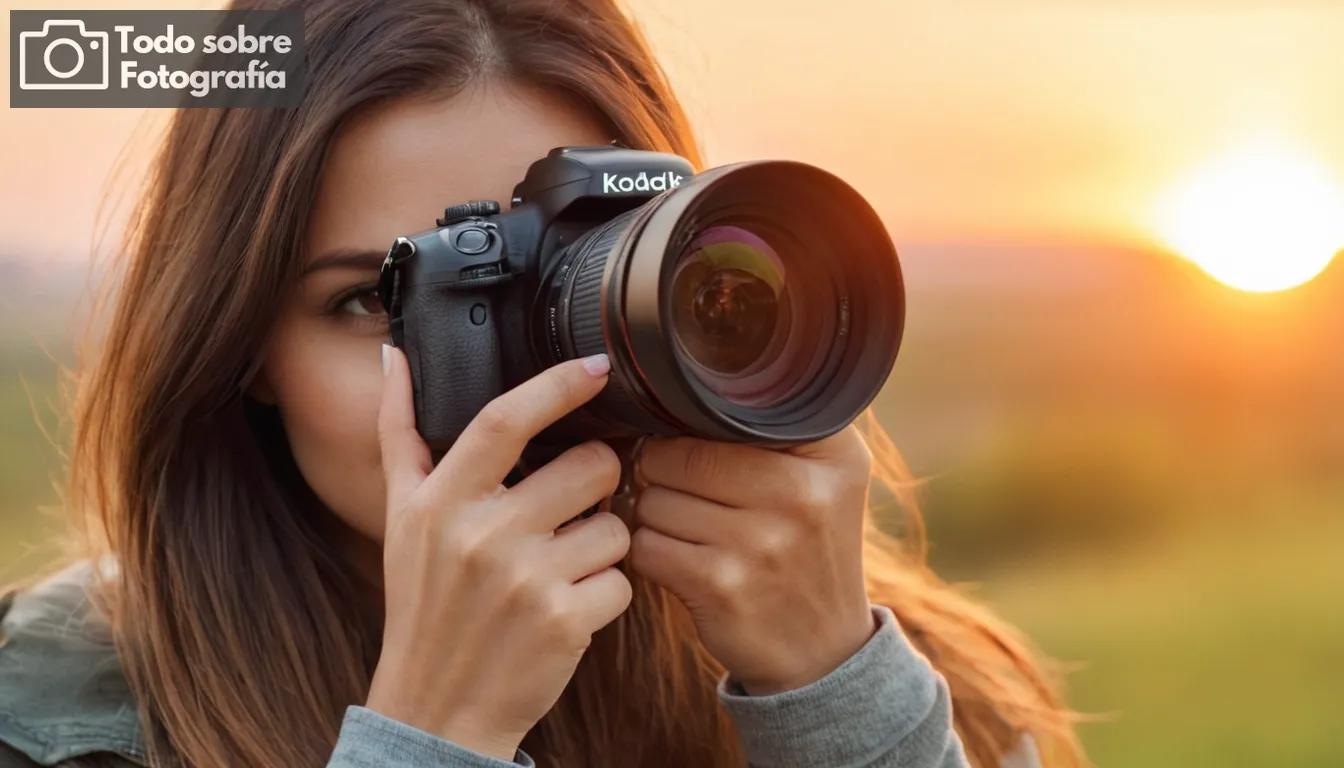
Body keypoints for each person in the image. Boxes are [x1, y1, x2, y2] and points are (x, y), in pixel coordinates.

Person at [0, 0, 1089, 766]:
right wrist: (431, 735)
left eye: (570, 273)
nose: (533, 384)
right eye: (384, 300)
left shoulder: (908, 677)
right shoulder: (49, 717)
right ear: (241, 349)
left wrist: (834, 697)